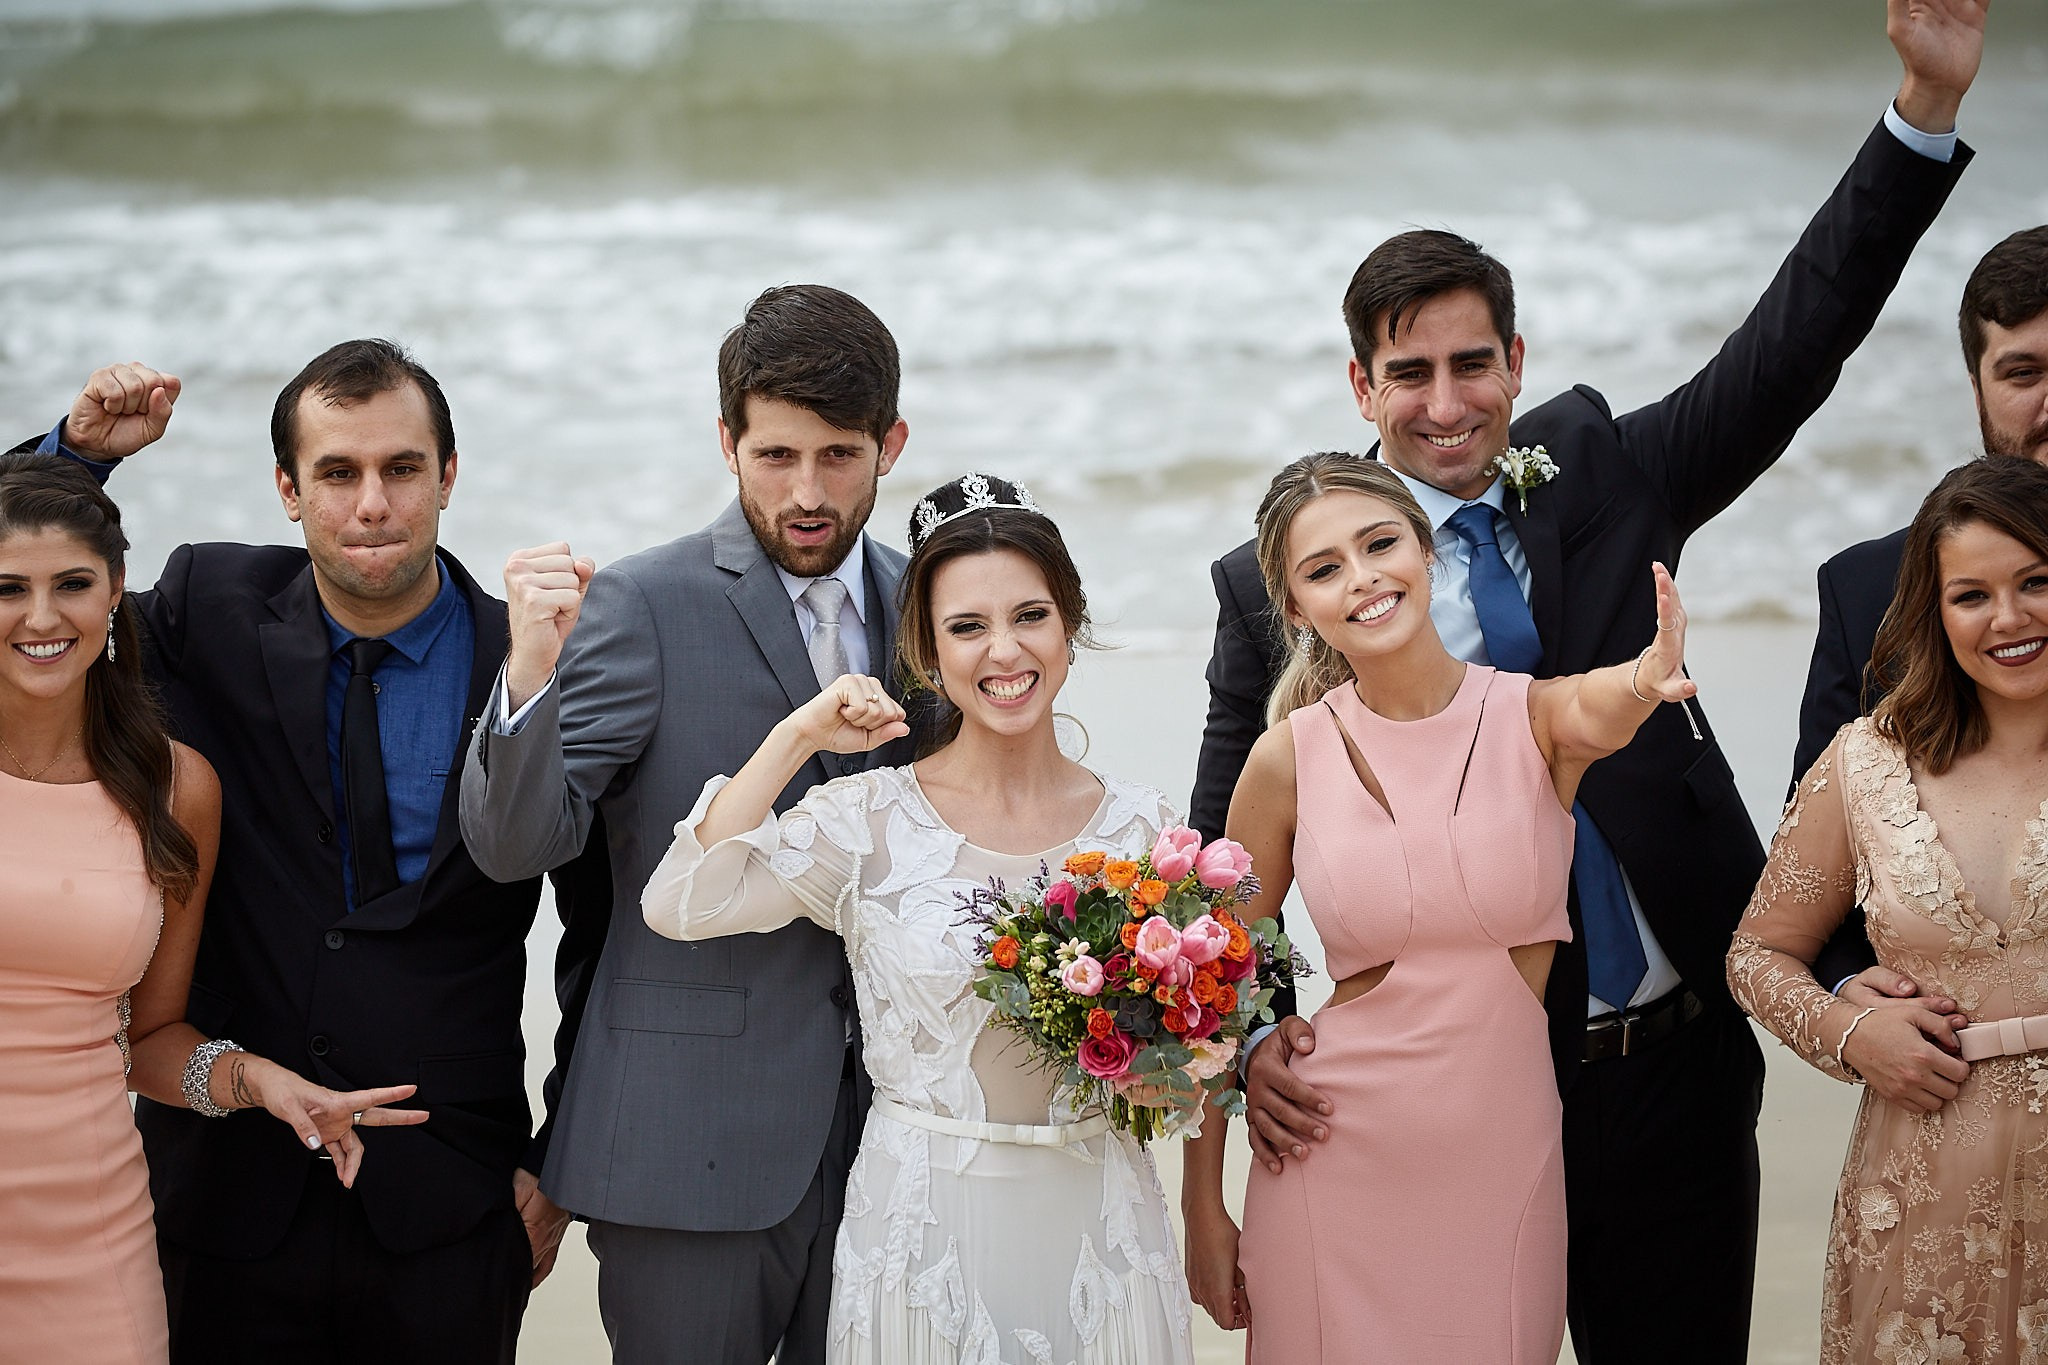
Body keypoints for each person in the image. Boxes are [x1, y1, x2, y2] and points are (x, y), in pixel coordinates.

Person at [1186, 7, 1985, 1357]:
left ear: (1516, 361)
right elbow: (1220, 868)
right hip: (1436, 1091)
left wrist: (1920, 108)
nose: (1447, 405)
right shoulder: (1281, 585)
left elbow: (1788, 351)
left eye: (1473, 365)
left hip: (1665, 1059)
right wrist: (1256, 1041)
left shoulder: (1606, 471)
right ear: (1360, 387)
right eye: (1410, 374)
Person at [24, 345, 594, 1362]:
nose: (371, 503)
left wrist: (562, 1165)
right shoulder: (208, 609)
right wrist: (77, 463)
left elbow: (603, 940)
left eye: (401, 469)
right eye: (337, 473)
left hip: (452, 1206)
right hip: (222, 1196)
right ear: (288, 490)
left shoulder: (537, 659)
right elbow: (37, 603)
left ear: (447, 477)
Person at [640, 472, 1197, 1364]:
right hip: (923, 1229)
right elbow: (680, 902)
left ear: (1070, 625)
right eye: (967, 627)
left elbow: (1185, 1079)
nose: (1004, 651)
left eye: (1030, 616)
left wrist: (1170, 1080)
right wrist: (798, 738)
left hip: (1102, 1229)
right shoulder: (869, 821)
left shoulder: (1147, 833)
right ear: (928, 654)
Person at [458, 285, 914, 1364]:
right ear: (725, 441)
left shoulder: (928, 602)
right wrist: (529, 670)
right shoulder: (643, 601)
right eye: (774, 456)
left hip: (886, 1147)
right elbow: (518, 845)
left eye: (839, 456)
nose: (806, 493)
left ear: (891, 443)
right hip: (683, 1138)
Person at [1180, 454, 1697, 1362]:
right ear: (1297, 608)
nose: (1364, 578)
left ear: (1427, 549)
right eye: (1324, 567)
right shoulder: (1286, 758)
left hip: (1502, 1162)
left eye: (1380, 544)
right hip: (1329, 1151)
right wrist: (1202, 1202)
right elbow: (1212, 983)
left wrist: (1647, 676)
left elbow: (1602, 704)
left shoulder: (1533, 719)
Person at [0, 453, 423, 1363]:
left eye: (72, 583)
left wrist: (267, 1084)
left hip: (92, 1236)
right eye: (6, 588)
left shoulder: (176, 788)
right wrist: (74, 445)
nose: (41, 617)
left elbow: (149, 1039)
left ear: (116, 590)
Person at [1729, 456, 2048, 1364]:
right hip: (1922, 1190)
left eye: (2036, 582)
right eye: (1973, 595)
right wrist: (1848, 1033)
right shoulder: (1867, 762)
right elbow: (1756, 954)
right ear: (1934, 612)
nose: (2010, 618)